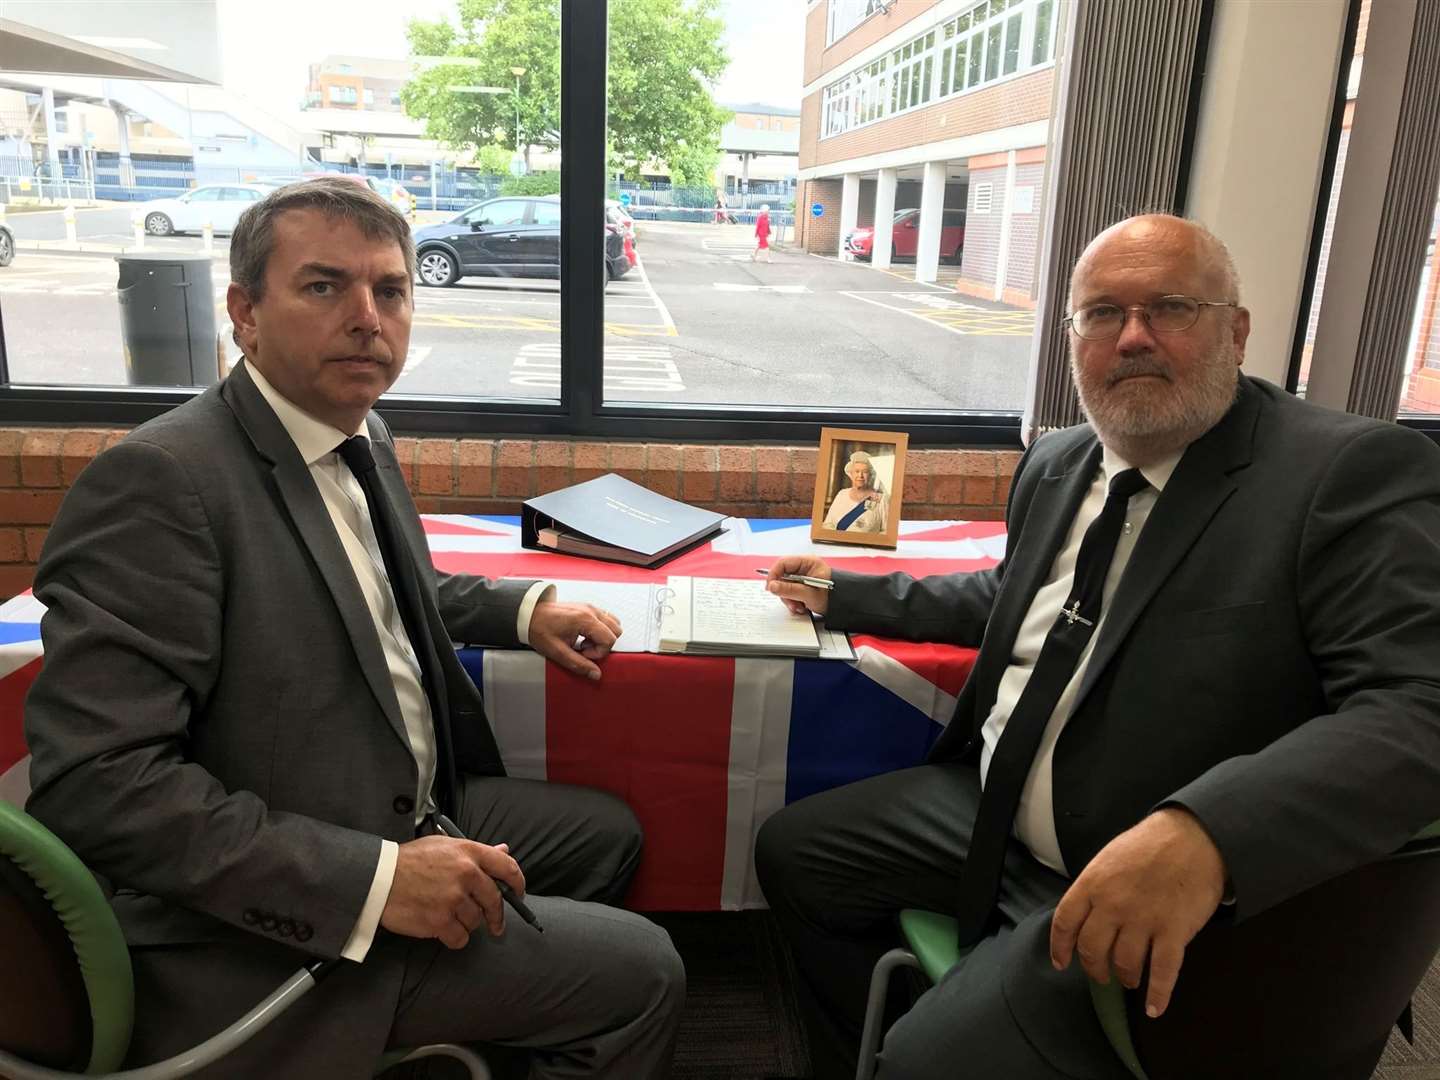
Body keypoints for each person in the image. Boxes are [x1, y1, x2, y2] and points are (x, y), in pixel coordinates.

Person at [23, 178, 684, 1080]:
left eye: (391, 290)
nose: (368, 318)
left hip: (398, 801)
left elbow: (387, 588)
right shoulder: (162, 483)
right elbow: (98, 785)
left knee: (608, 835)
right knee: (644, 971)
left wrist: (526, 609)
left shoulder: (355, 431)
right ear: (244, 314)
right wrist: (375, 884)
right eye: (324, 287)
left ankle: (472, 1036)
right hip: (257, 922)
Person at [756, 213, 1440, 1080]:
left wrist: (1207, 833)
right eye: (1103, 315)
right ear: (1073, 336)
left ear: (1236, 330)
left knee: (927, 1065)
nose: (1134, 338)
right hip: (993, 811)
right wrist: (842, 592)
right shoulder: (1062, 460)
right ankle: (928, 1027)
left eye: (1171, 308)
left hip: (1137, 862)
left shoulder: (1343, 475)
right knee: (795, 856)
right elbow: (1010, 600)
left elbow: (1419, 705)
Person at [822, 449, 888, 534]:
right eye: (857, 471)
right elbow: (828, 524)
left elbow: (887, 531)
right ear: (851, 474)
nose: (860, 476)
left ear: (870, 475)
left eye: (865, 472)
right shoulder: (842, 494)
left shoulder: (880, 499)